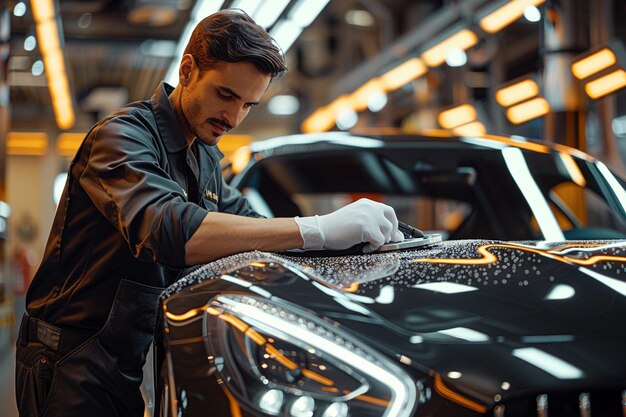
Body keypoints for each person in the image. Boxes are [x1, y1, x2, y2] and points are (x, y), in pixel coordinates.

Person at [15, 10, 403, 417]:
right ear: (187, 71)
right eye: (226, 95)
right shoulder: (121, 138)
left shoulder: (204, 158)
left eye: (249, 104)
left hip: (125, 352)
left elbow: (253, 229)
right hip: (68, 358)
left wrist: (347, 244)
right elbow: (167, 229)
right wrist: (317, 228)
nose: (233, 118)